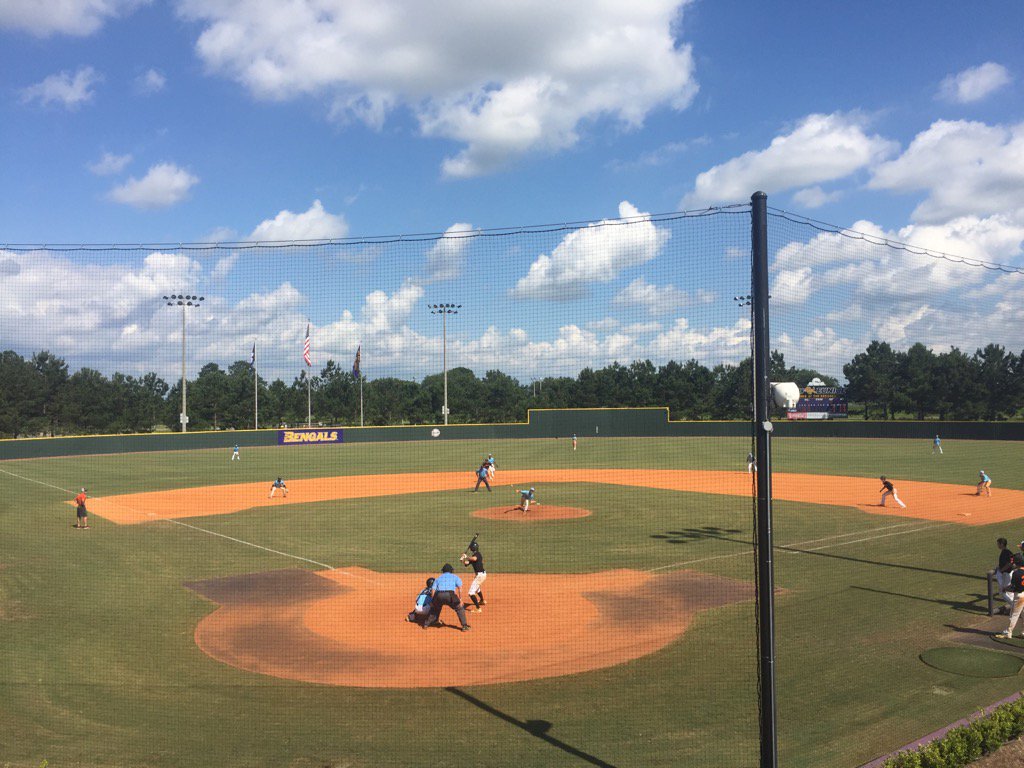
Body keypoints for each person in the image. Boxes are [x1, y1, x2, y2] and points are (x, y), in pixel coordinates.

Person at [422, 564, 470, 631]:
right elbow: (460, 588)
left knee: (435, 609)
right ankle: (464, 626)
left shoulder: (438, 578)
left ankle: (426, 624)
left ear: (443, 571)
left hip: (439, 595)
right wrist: (460, 600)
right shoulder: (455, 577)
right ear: (451, 570)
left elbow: (433, 590)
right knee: (459, 608)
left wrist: (433, 601)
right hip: (450, 595)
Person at [998, 553, 1024, 639]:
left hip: (1019, 597)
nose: (1012, 563)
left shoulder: (1016, 573)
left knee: (1014, 615)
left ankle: (1008, 633)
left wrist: (1005, 589)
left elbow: (1013, 588)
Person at [461, 541, 487, 612]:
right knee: (477, 588)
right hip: (481, 575)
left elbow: (474, 559)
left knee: (471, 593)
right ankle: (482, 601)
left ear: (472, 548)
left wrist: (466, 556)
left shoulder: (478, 554)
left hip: (480, 575)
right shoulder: (473, 556)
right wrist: (463, 560)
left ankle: (478, 609)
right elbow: (466, 563)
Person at [996, 538, 1015, 615]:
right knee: (1010, 593)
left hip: (1006, 575)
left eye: (998, 544)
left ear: (1002, 544)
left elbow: (1009, 564)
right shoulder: (1008, 552)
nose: (997, 545)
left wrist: (1001, 570)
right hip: (1009, 574)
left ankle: (1015, 607)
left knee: (1002, 592)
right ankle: (1014, 608)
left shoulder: (1005, 553)